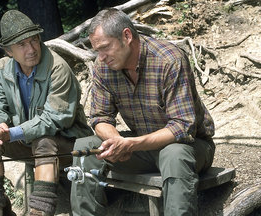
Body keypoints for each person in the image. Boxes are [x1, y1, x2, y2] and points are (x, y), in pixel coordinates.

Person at [70, 8, 215, 216]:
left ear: (127, 36)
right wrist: (116, 142)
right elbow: (100, 117)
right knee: (85, 147)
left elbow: (183, 127)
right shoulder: (103, 67)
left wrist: (131, 144)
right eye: (97, 51)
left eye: (105, 48)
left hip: (190, 147)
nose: (101, 57)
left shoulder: (169, 60)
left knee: (173, 154)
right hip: (141, 149)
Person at [0, 10, 93, 216]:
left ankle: (40, 212)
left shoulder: (57, 68)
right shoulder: (2, 69)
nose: (31, 49)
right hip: (27, 142)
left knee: (44, 141)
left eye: (34, 41)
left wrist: (12, 133)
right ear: (8, 51)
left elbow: (55, 119)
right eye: (22, 44)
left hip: (70, 145)